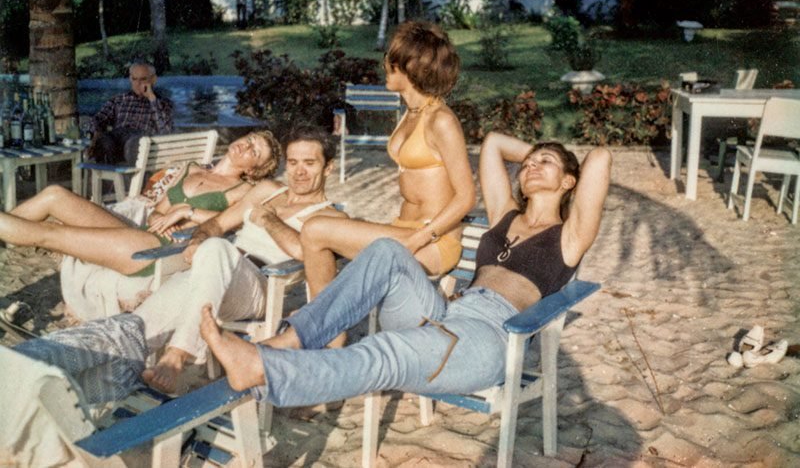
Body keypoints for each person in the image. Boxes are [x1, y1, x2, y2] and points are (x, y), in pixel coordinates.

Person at [196, 132, 612, 409]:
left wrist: (551, 157)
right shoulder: (506, 214)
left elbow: (601, 157)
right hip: (445, 310)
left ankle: (264, 370)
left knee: (386, 352)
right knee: (386, 251)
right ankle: (293, 338)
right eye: (529, 163)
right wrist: (540, 159)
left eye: (547, 164)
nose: (532, 166)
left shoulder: (570, 236)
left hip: (489, 337)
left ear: (571, 182)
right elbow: (491, 145)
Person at [136, 124, 347, 393]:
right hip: (214, 274)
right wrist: (199, 238)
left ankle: (179, 354)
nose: (299, 172)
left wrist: (268, 219)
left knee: (216, 250)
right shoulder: (267, 190)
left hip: (258, 288)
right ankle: (119, 368)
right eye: (293, 162)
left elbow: (303, 253)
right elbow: (217, 225)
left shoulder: (331, 217)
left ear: (328, 168)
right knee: (140, 325)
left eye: (309, 163)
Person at [300, 21, 475, 305]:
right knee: (315, 228)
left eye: (391, 60)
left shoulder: (441, 120)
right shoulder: (411, 113)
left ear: (409, 67)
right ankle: (326, 333)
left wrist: (418, 238)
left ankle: (324, 334)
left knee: (315, 229)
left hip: (432, 242)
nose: (385, 64)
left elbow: (466, 196)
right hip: (403, 228)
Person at [0, 131, 281, 276]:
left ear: (254, 169)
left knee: (52, 234)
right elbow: (157, 211)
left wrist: (188, 212)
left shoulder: (242, 189)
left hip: (165, 250)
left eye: (254, 151)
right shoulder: (191, 168)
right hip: (143, 233)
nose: (246, 145)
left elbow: (232, 223)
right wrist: (161, 214)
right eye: (250, 139)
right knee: (55, 195)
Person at [89, 61, 174, 164]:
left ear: (153, 80)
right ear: (130, 79)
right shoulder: (120, 100)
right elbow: (97, 119)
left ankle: (131, 177)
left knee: (134, 143)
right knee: (104, 140)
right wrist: (96, 133)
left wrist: (152, 99)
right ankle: (111, 176)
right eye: (134, 79)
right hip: (117, 140)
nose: (138, 84)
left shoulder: (163, 104)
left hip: (141, 142)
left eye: (143, 79)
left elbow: (166, 132)